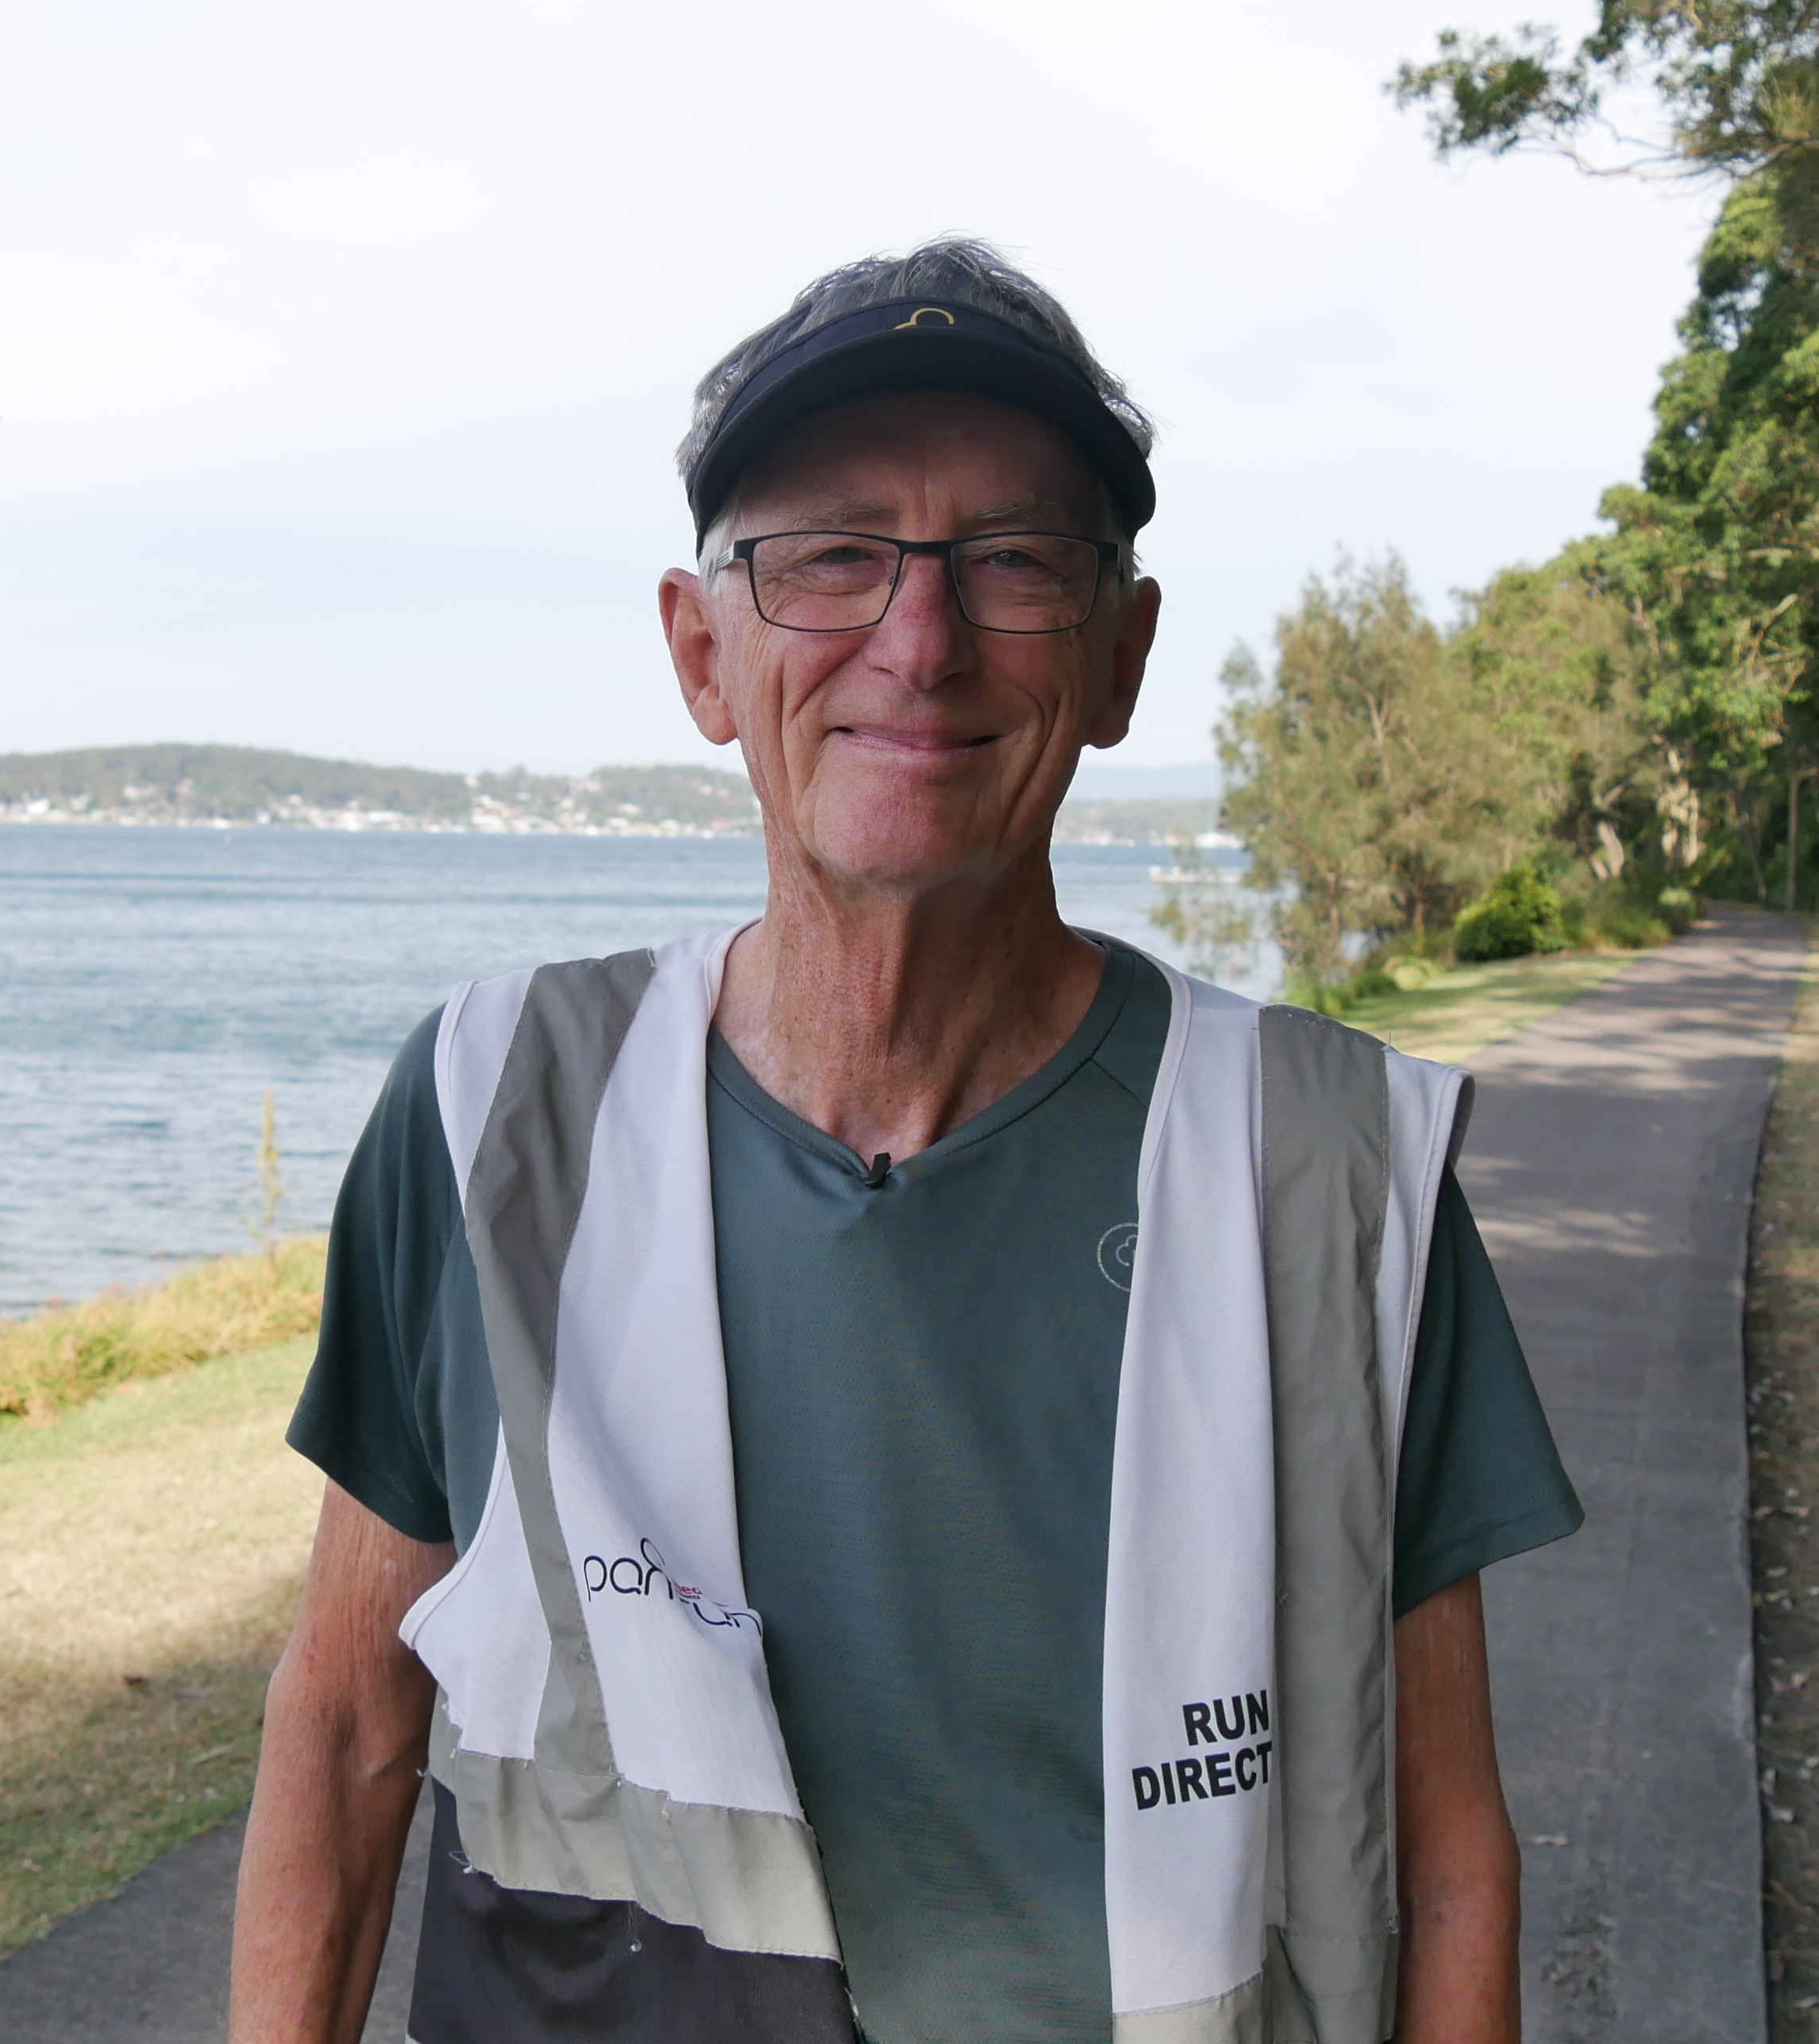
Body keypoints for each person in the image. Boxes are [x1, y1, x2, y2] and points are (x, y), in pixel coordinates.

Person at [228, 241, 1580, 2044]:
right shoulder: (494, 1116)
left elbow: (1449, 1847)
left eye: (1011, 561)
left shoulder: (1329, 1171)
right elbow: (340, 1733)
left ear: (1120, 655)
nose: (920, 640)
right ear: (702, 652)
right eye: (830, 557)